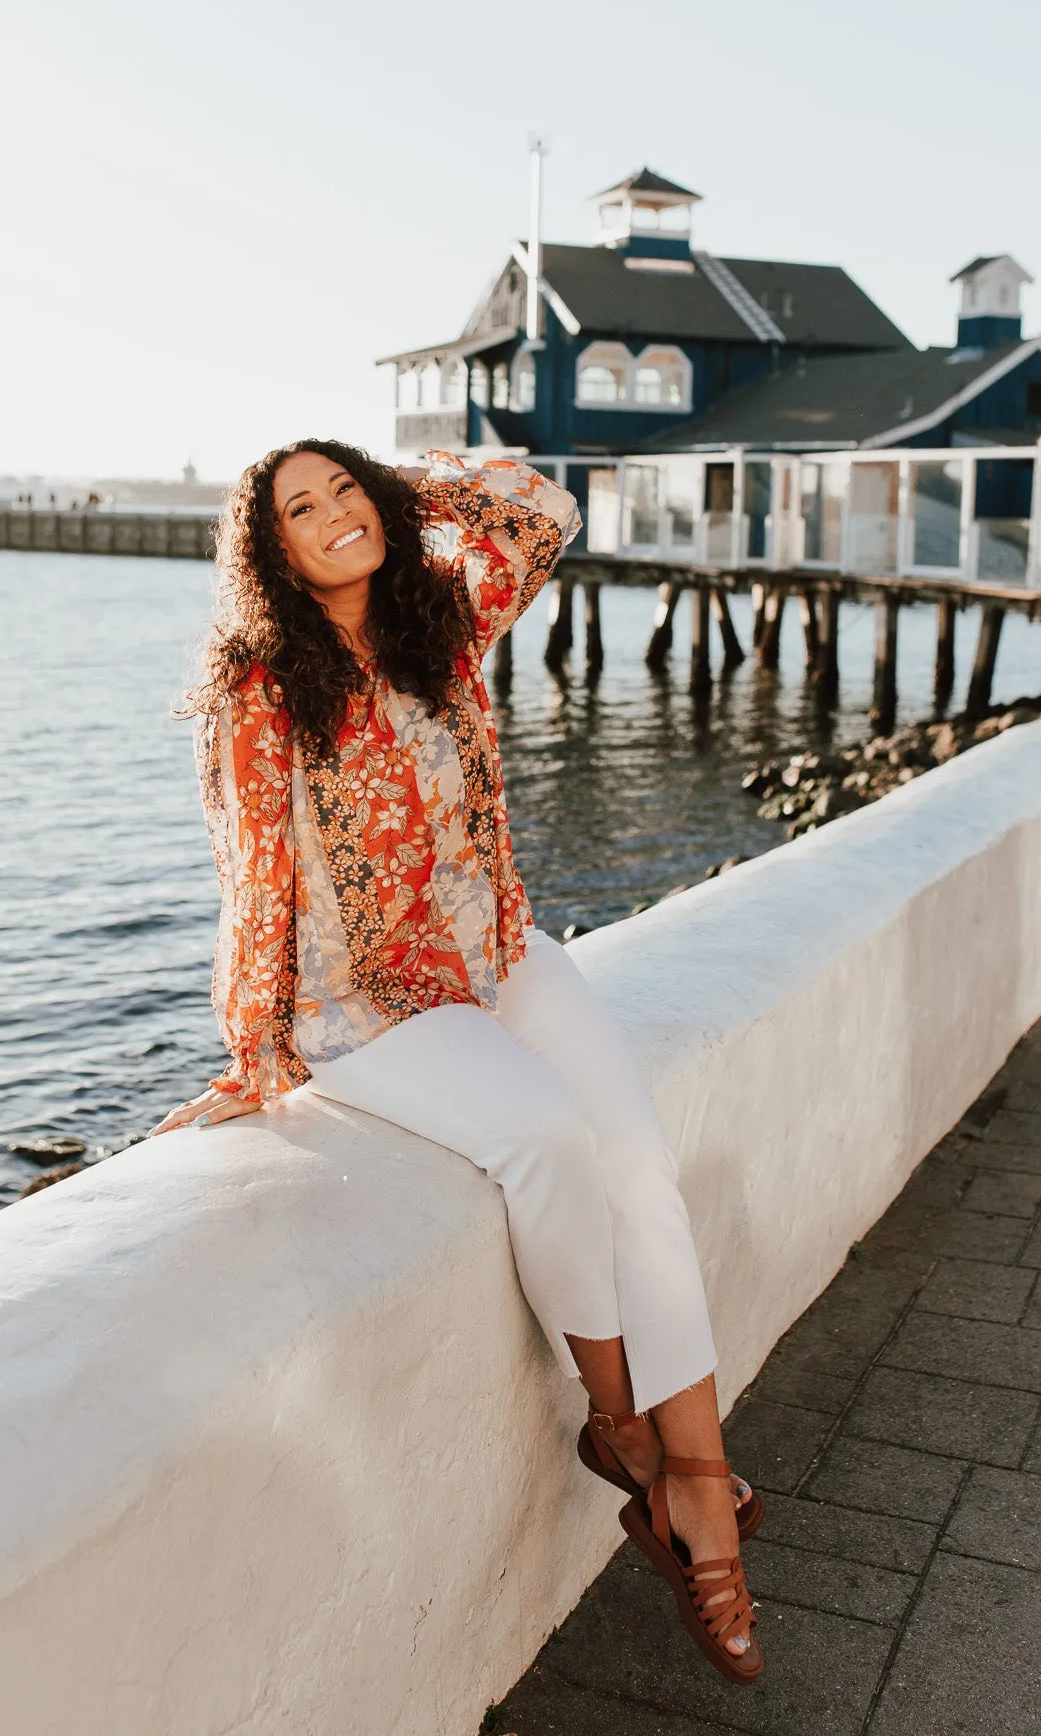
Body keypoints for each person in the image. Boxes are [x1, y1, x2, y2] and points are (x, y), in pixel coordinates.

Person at [153, 440, 762, 1686]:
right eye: (299, 512)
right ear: (265, 552)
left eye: (343, 493)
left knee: (635, 1150)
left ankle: (698, 1474)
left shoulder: (443, 614)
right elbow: (253, 879)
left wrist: (391, 483)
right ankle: (624, 1434)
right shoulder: (260, 684)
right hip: (365, 1004)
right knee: (546, 1136)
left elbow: (544, 506)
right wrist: (253, 1053)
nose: (331, 521)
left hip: (497, 947)